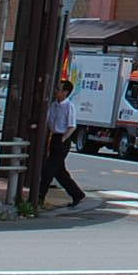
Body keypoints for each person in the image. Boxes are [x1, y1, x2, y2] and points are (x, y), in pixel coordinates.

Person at [39, 78, 86, 209]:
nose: (56, 91)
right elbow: (48, 121)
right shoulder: (53, 105)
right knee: (60, 172)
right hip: (54, 138)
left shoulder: (69, 106)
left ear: (65, 92)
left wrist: (63, 139)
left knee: (48, 169)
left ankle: (39, 197)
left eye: (58, 89)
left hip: (62, 140)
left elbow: (72, 126)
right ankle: (77, 194)